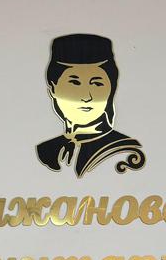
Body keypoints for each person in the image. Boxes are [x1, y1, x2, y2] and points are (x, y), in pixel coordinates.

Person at [35, 32, 146, 177]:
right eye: (74, 83)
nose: (86, 97)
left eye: (97, 84)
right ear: (53, 89)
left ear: (111, 89)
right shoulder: (46, 149)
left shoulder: (123, 153)